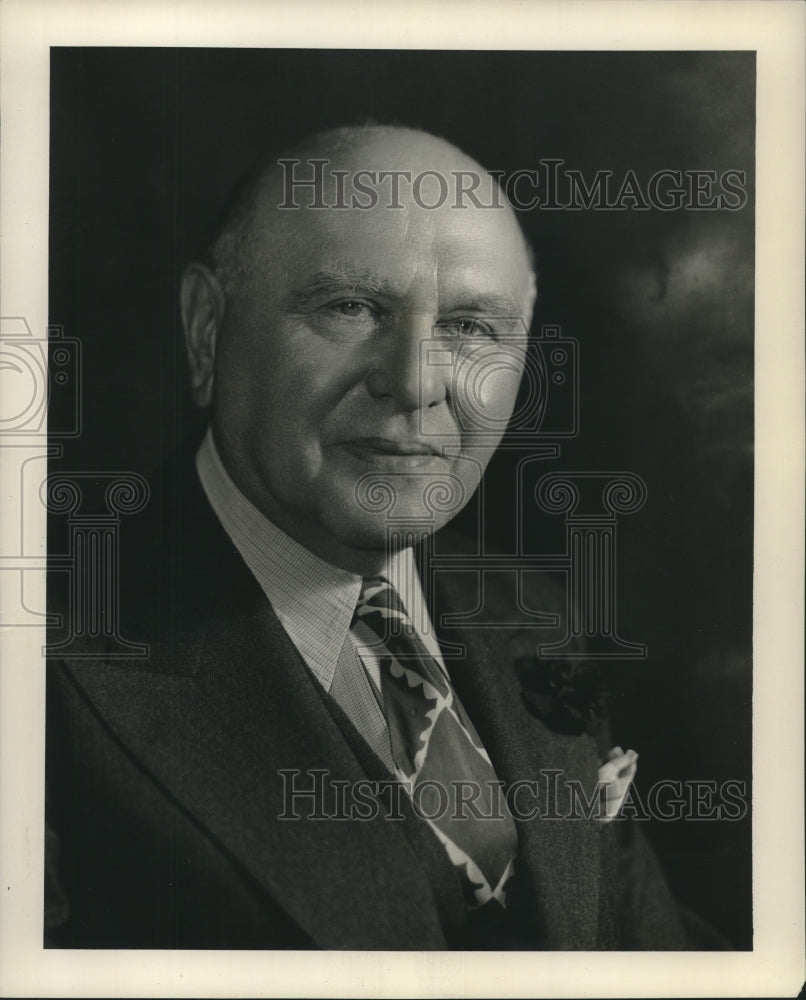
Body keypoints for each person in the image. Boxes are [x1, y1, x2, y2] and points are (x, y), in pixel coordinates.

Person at [44, 124, 713, 949]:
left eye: (470, 328)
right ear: (207, 328)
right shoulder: (40, 653)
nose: (415, 381)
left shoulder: (533, 616)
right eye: (351, 307)